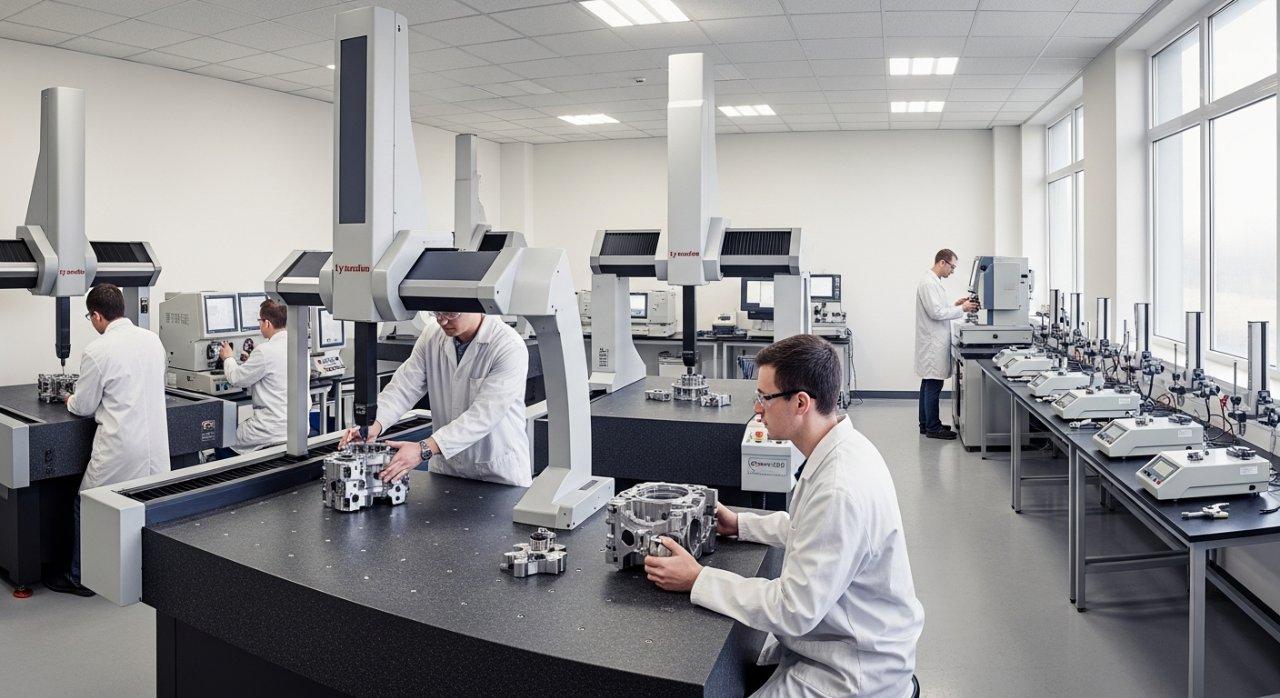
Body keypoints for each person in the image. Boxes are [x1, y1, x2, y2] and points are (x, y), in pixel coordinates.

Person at [644, 334, 924, 697]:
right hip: (837, 644)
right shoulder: (845, 447)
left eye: (765, 397)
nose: (757, 409)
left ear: (801, 403)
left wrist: (697, 579)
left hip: (852, 673)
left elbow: (793, 609)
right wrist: (742, 524)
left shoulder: (839, 488)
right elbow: (810, 529)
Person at [46, 284, 170, 597]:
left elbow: (84, 406)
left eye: (90, 317)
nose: (92, 322)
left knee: (86, 503)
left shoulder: (98, 351)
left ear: (98, 316)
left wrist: (68, 397)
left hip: (120, 448)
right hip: (155, 445)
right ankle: (144, 575)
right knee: (143, 506)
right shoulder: (152, 339)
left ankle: (80, 577)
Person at [338, 311, 529, 487]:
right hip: (446, 473)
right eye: (436, 313)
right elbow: (404, 387)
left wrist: (424, 448)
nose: (442, 320)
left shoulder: (508, 346)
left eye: (451, 313)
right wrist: (375, 423)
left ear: (475, 305)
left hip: (496, 476)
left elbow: (483, 415)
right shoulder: (432, 335)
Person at [213, 299, 299, 459]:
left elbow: (236, 378)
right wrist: (251, 363)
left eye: (260, 321)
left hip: (270, 429)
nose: (260, 325)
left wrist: (228, 358)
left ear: (267, 323)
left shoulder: (265, 351)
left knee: (222, 442)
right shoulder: (298, 346)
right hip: (295, 427)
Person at [915, 248, 978, 440]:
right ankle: (933, 428)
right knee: (933, 384)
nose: (952, 271)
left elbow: (940, 309)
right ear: (942, 262)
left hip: (933, 341)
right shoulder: (928, 283)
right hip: (932, 343)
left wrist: (957, 305)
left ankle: (926, 424)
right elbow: (936, 313)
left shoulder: (933, 282)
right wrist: (963, 310)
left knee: (928, 383)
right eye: (952, 266)